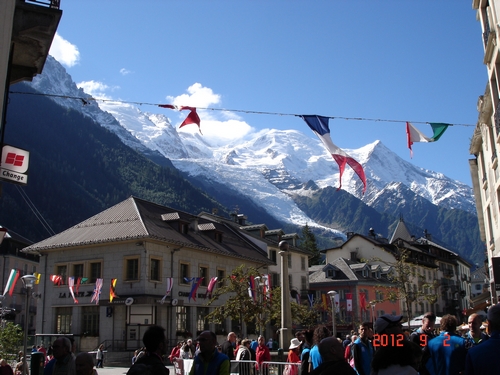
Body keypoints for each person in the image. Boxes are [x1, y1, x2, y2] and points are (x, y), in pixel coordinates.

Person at [465, 303, 500, 374]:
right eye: (469, 323)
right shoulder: (464, 340)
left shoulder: (474, 353)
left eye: (474, 323)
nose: (471, 325)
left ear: (488, 325)